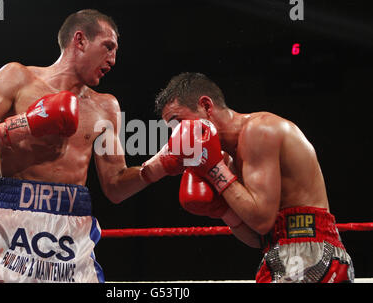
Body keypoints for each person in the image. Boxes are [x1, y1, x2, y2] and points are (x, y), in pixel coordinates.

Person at [0, 9, 150, 283]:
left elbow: (115, 186)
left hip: (71, 235)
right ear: (80, 40)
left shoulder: (107, 106)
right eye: (108, 47)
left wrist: (159, 166)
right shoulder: (17, 78)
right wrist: (28, 123)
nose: (113, 59)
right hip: (10, 225)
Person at [142, 72, 355, 283]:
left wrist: (214, 169)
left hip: (309, 252)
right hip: (280, 254)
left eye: (179, 123)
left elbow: (261, 220)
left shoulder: (259, 130)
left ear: (206, 106)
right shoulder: (230, 160)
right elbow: (257, 238)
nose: (179, 134)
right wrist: (221, 209)